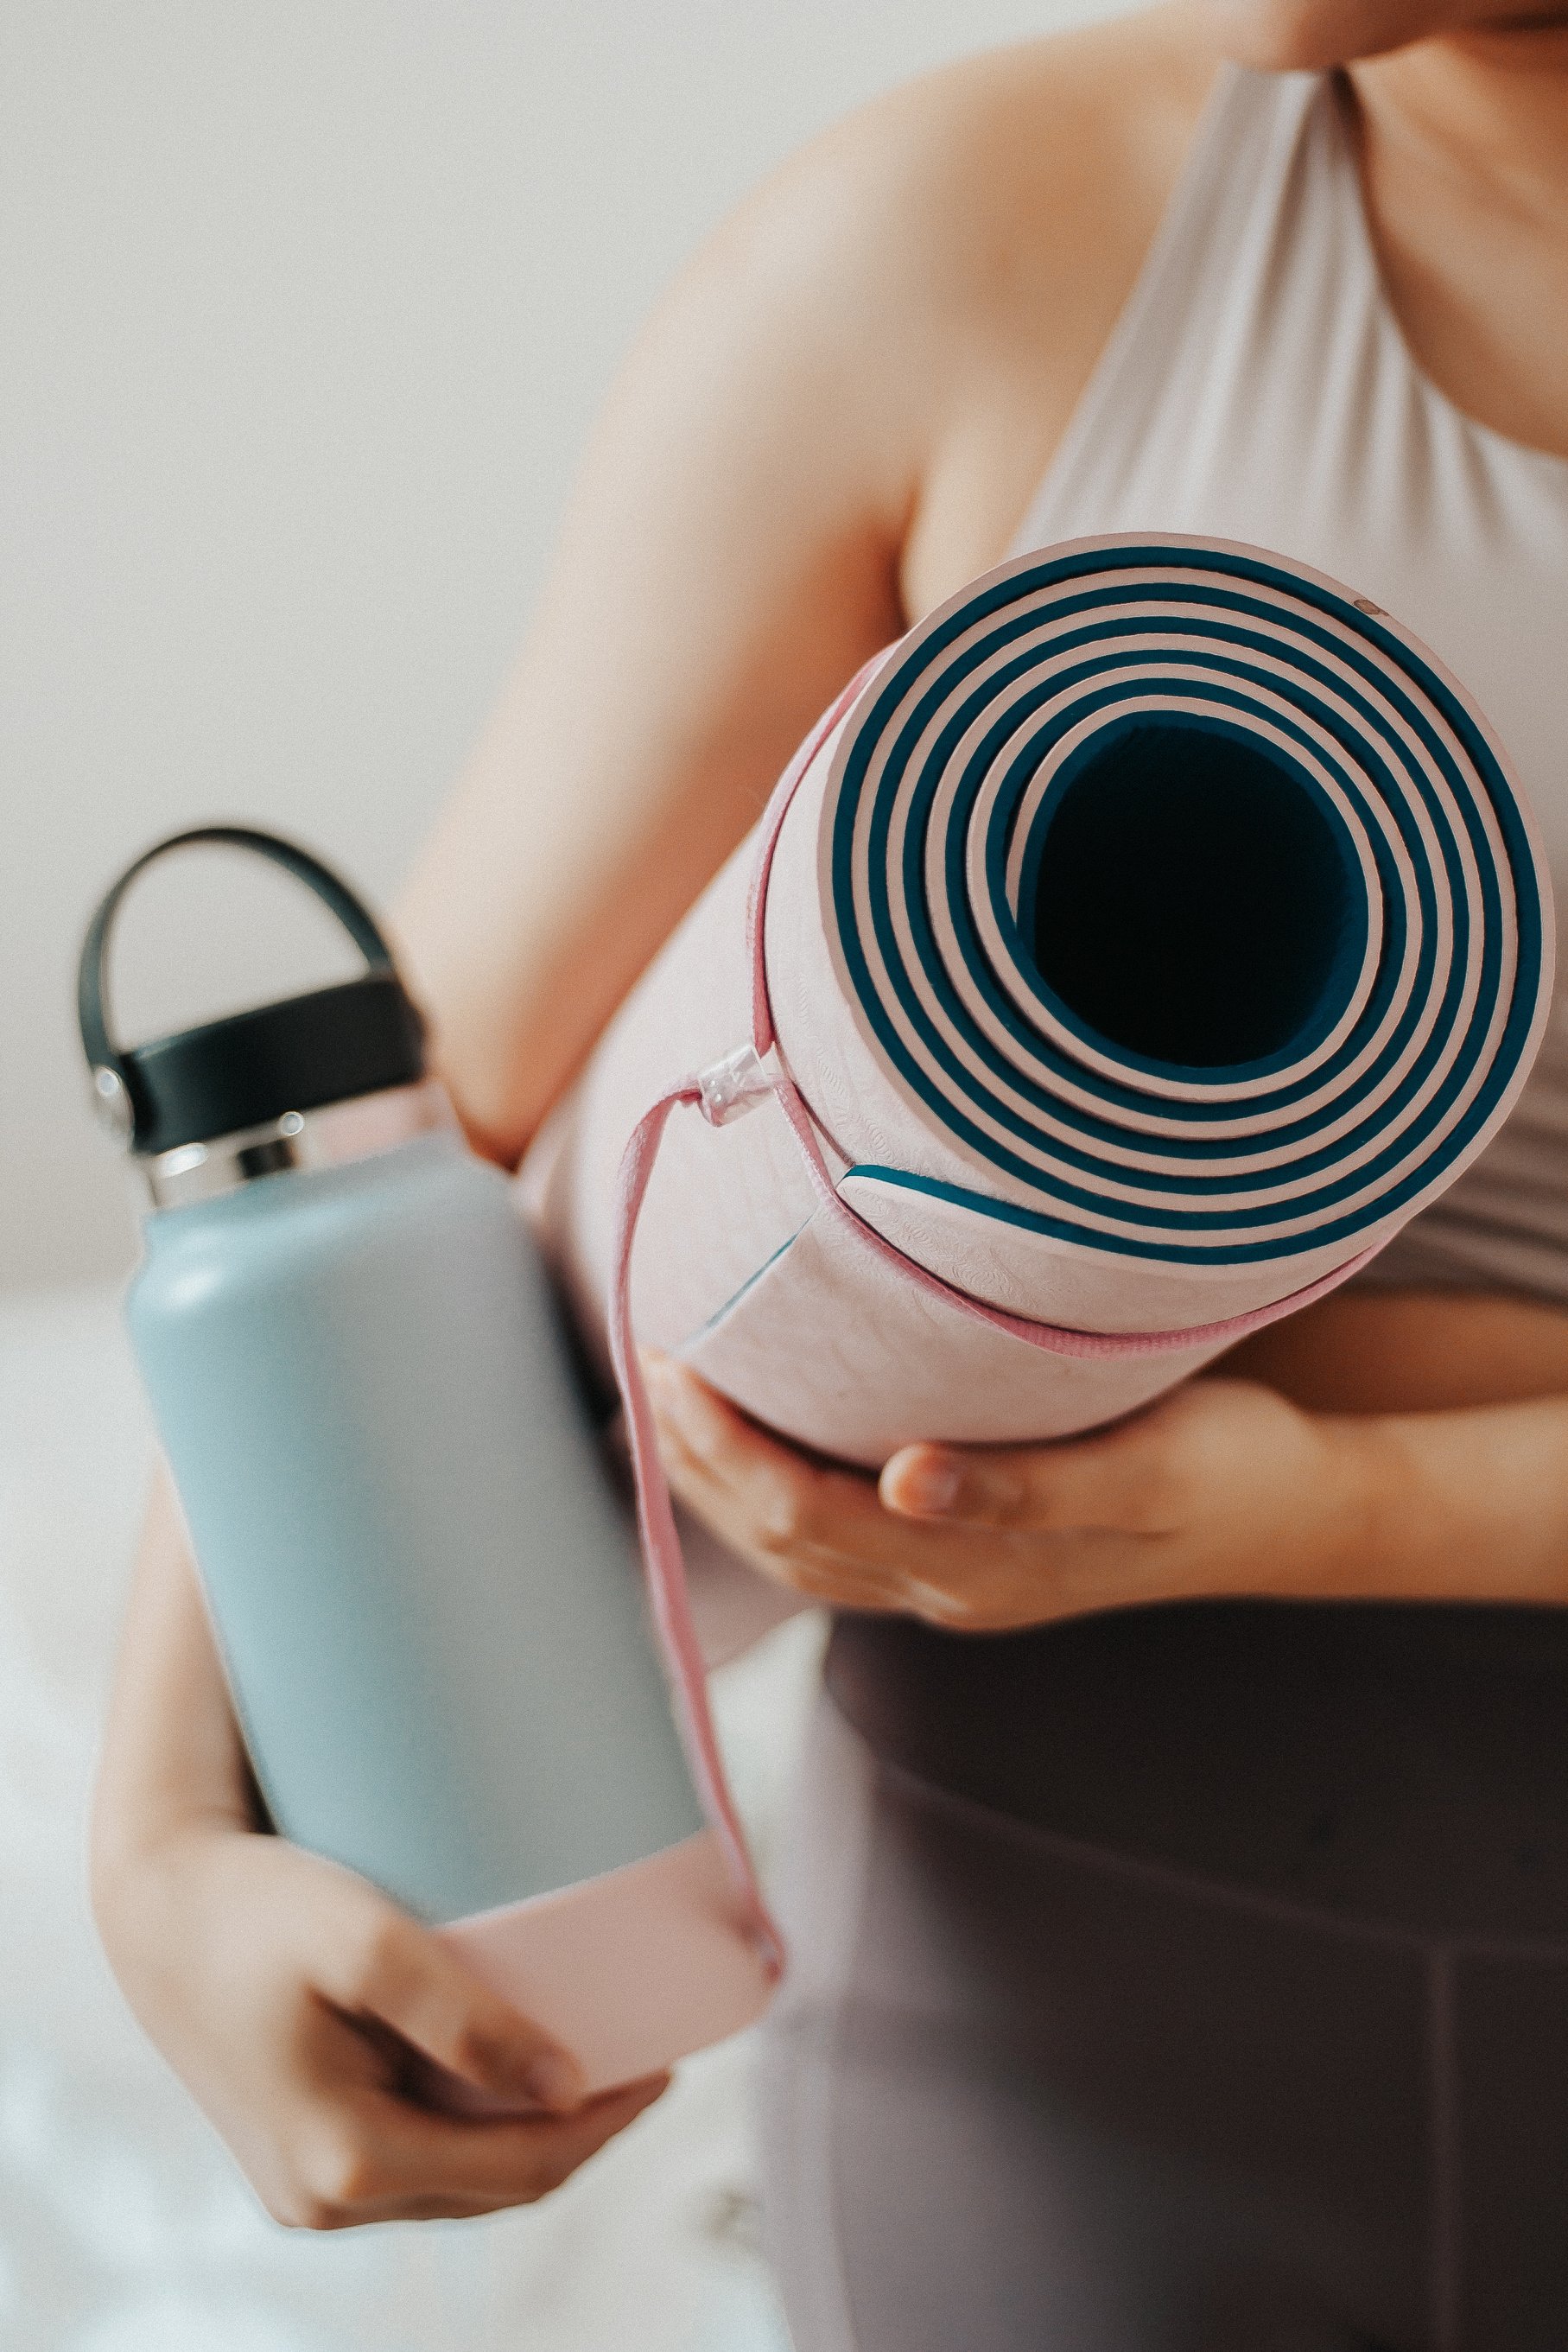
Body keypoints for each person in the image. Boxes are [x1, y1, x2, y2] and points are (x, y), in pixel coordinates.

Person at [92, 0, 1568, 2336]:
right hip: (1080, 2020)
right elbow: (410, 1118)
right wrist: (165, 1826)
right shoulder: (975, 247)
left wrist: (1316, 1495)